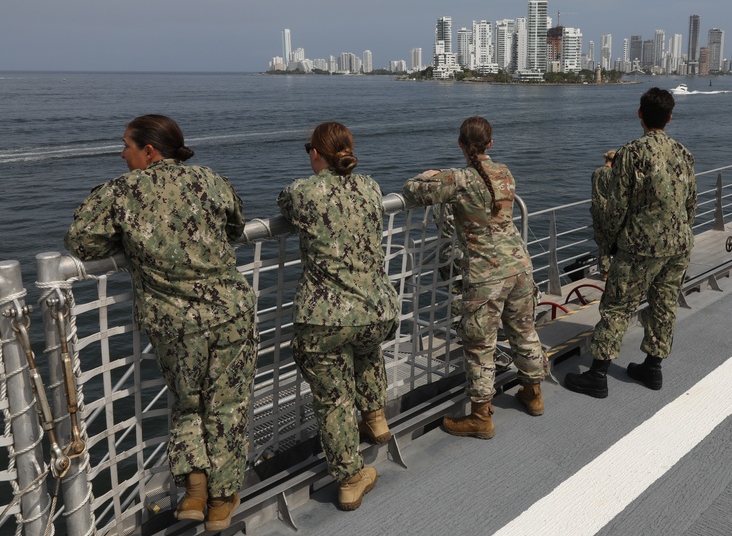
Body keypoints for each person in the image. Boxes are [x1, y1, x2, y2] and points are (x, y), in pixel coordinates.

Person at [64, 115, 257, 532]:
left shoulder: (121, 192)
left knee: (187, 404)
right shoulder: (210, 179)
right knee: (227, 405)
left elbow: (81, 240)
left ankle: (194, 492)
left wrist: (129, 242)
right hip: (230, 311)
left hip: (173, 322)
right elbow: (236, 226)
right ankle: (222, 503)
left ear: (149, 151)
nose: (121, 153)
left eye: (126, 145)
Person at [277, 122, 398, 511]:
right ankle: (376, 417)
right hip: (377, 308)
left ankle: (349, 479)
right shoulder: (372, 187)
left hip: (324, 317)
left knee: (333, 401)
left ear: (316, 152)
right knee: (366, 349)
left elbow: (286, 204)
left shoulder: (302, 191)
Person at [403, 116, 547, 439]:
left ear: (460, 145)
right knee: (524, 331)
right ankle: (533, 394)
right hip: (520, 266)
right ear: (490, 144)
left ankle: (481, 416)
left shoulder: (459, 180)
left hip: (486, 274)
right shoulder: (506, 173)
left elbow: (412, 191)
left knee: (480, 345)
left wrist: (429, 176)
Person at [565, 88, 696, 398]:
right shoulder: (684, 153)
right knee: (664, 305)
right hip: (679, 243)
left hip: (640, 246)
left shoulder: (631, 153)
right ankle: (653, 367)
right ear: (670, 117)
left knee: (617, 307)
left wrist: (608, 244)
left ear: (640, 115)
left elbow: (615, 207)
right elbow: (691, 204)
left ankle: (597, 374)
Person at [591, 149, 617, 279]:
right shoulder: (612, 174)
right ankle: (617, 269)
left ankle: (605, 271)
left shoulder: (596, 172)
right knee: (616, 240)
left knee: (602, 243)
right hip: (609, 211)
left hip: (596, 210)